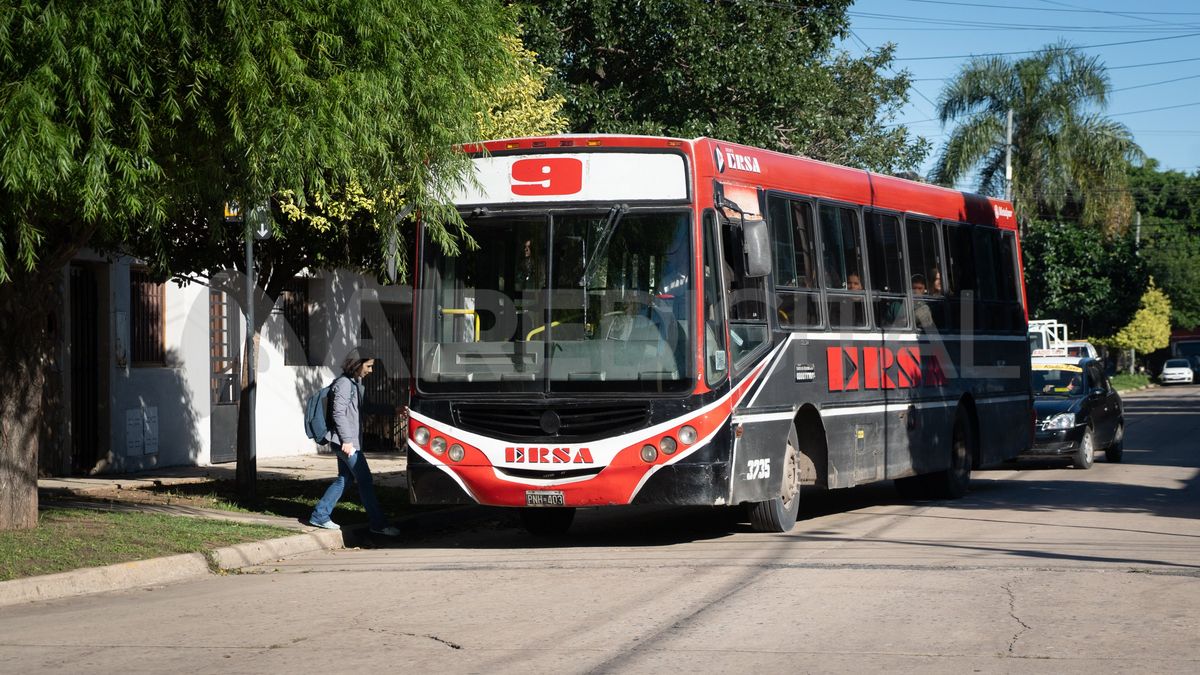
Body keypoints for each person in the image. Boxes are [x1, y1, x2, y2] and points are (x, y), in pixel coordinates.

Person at [309, 349, 400, 536]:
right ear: (357, 364)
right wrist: (347, 441)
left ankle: (319, 515)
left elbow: (367, 406)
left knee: (346, 478)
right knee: (365, 480)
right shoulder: (344, 384)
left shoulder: (354, 384)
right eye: (369, 366)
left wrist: (394, 410)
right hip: (345, 443)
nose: (371, 370)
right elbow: (338, 413)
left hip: (346, 442)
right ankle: (379, 524)